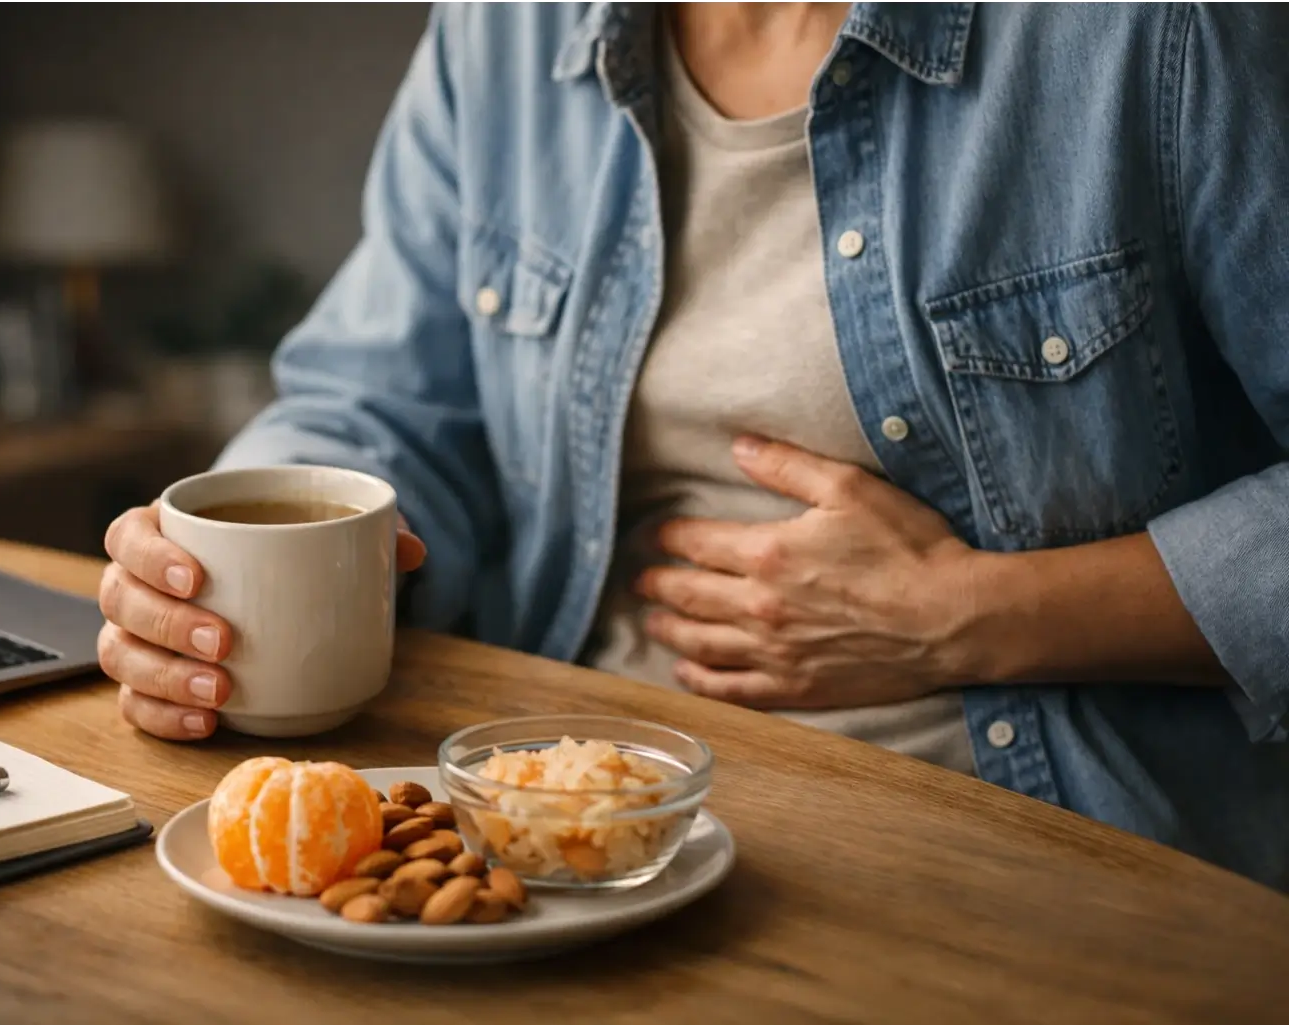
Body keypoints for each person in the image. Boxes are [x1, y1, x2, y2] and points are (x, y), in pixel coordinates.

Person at [96, 1, 1289, 889]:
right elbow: (378, 405)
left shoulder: (1159, 29)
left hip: (1010, 845)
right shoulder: (501, 30)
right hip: (535, 845)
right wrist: (215, 575)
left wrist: (970, 614)